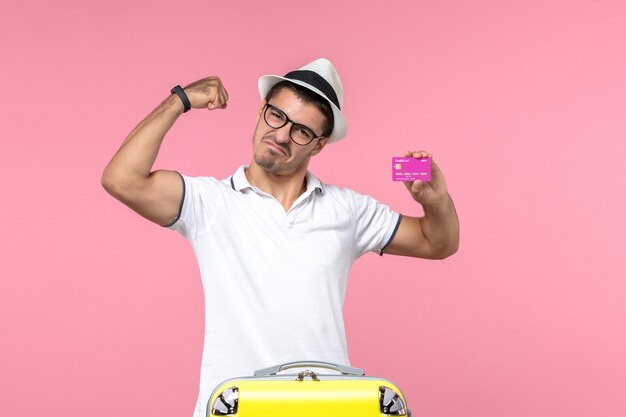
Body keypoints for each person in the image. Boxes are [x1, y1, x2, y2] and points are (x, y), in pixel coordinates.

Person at [101, 58, 459, 417]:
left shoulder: (347, 210)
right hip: (234, 407)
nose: (282, 135)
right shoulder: (209, 203)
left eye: (302, 131)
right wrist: (180, 99)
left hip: (325, 408)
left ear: (318, 145)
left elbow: (438, 242)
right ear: (261, 111)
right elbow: (122, 179)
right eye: (277, 116)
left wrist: (437, 201)